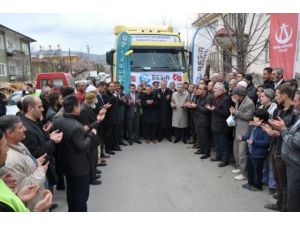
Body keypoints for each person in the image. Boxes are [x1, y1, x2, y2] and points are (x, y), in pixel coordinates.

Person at [53, 95, 96, 212]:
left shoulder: (57, 121)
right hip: (79, 166)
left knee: (71, 193)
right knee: (81, 197)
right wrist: (91, 136)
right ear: (75, 108)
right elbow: (82, 147)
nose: (80, 108)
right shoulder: (76, 126)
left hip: (66, 163)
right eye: (78, 106)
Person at [0, 115, 48, 211]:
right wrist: (40, 170)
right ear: (10, 133)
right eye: (21, 127)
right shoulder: (9, 160)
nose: (25, 129)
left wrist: (34, 163)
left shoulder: (19, 144)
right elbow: (23, 188)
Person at [263, 84, 297, 212]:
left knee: (284, 182)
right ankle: (279, 203)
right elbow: (278, 129)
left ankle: (285, 207)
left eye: (277, 95)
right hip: (275, 147)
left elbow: (293, 135)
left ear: (285, 95)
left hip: (285, 151)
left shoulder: (294, 114)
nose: (275, 98)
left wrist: (280, 132)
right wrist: (269, 128)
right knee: (278, 179)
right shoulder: (280, 110)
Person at [21, 96, 63, 192]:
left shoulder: (36, 121)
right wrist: (52, 141)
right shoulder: (27, 129)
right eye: (39, 107)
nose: (43, 109)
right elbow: (37, 154)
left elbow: (41, 139)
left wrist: (49, 135)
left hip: (46, 167)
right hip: (40, 169)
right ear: (30, 108)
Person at [239, 108, 271, 191]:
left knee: (257, 171)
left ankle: (257, 186)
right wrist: (243, 138)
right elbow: (250, 137)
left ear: (262, 119)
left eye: (256, 117)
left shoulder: (265, 129)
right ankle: (250, 183)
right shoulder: (254, 127)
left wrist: (254, 142)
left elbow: (267, 142)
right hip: (251, 152)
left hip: (258, 154)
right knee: (250, 169)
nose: (254, 117)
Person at [230, 86, 255, 181]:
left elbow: (249, 116)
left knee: (242, 153)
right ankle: (240, 168)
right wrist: (234, 111)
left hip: (244, 130)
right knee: (235, 150)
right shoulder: (238, 100)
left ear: (240, 94)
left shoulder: (249, 103)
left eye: (235, 94)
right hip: (237, 128)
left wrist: (235, 112)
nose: (233, 96)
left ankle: (245, 174)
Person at [206, 82, 231, 167]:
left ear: (221, 89)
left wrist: (214, 109)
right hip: (215, 124)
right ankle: (218, 156)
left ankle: (225, 160)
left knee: (223, 143)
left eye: (216, 88)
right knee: (217, 142)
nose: (214, 90)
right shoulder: (216, 97)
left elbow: (226, 113)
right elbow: (215, 109)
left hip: (222, 125)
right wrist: (210, 108)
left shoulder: (226, 98)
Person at [191, 84, 211, 159]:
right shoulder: (199, 97)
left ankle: (206, 152)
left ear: (204, 91)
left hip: (204, 121)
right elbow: (196, 106)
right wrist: (191, 106)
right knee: (200, 137)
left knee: (205, 137)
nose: (198, 90)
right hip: (197, 119)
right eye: (198, 88)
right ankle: (201, 149)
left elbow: (207, 111)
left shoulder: (208, 98)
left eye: (200, 89)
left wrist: (196, 106)